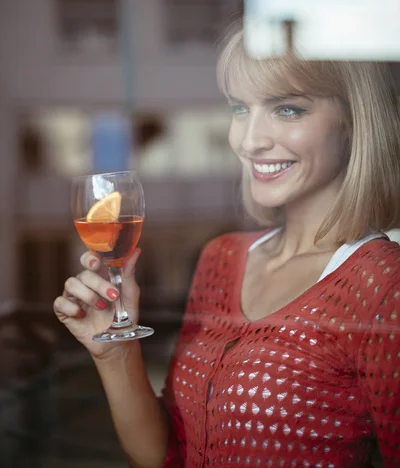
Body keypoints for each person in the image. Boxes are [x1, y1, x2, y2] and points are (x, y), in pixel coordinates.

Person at [54, 30, 400, 467]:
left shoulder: (384, 283)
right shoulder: (222, 257)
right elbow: (166, 455)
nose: (249, 140)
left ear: (352, 121)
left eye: (287, 108)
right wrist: (114, 351)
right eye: (240, 108)